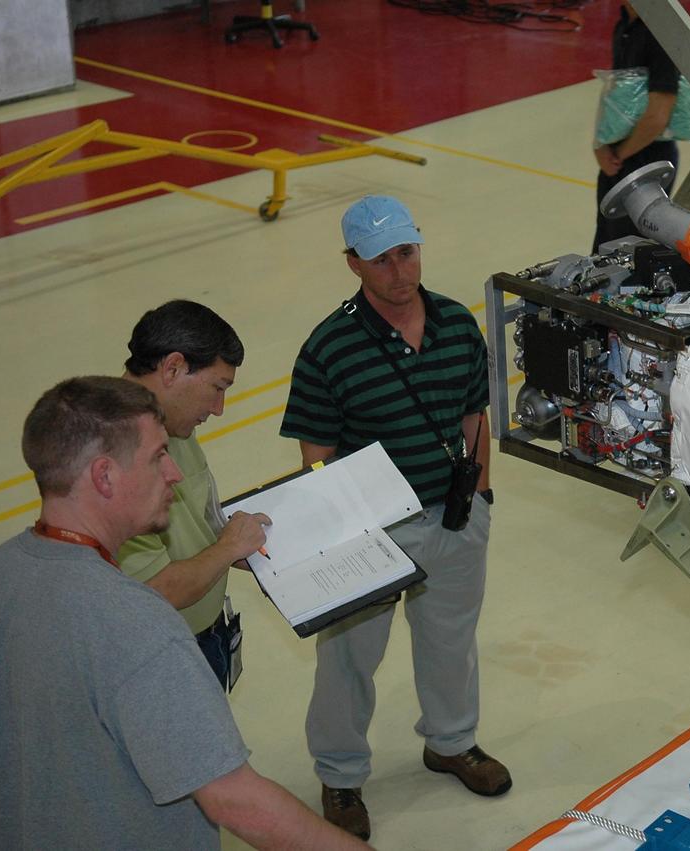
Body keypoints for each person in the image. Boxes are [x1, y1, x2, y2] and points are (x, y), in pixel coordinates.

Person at [0, 376, 366, 850]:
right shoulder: (138, 624)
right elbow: (236, 800)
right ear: (105, 476)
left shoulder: (3, 572)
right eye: (157, 457)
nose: (173, 473)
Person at [280, 195, 508, 840]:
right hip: (371, 534)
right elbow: (317, 455)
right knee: (348, 659)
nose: (399, 270)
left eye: (407, 252)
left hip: (454, 518)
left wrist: (480, 499)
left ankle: (451, 742)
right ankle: (341, 775)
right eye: (381, 259)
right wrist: (343, 539)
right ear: (353, 263)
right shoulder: (329, 348)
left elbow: (474, 416)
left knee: (451, 642)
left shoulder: (456, 325)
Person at [118, 300, 270, 690]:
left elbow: (200, 518)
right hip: (160, 657)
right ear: (173, 368)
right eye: (217, 388)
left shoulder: (174, 425)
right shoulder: (118, 454)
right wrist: (229, 548)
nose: (218, 409)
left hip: (204, 636)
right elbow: (158, 589)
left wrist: (240, 544)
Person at [592, 0, 680, 252]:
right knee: (605, 245)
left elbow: (659, 115)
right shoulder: (625, 24)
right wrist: (602, 145)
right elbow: (617, 91)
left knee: (629, 252)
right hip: (620, 157)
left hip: (646, 160)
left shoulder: (660, 32)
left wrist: (619, 153)